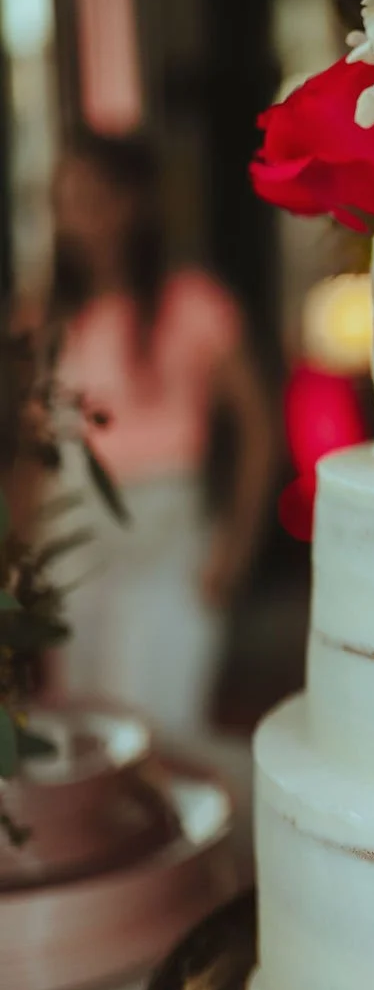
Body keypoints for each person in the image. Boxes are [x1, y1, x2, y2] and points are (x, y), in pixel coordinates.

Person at [37, 128, 276, 741]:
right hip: (73, 535)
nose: (76, 220)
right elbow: (34, 453)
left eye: (92, 199)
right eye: (65, 202)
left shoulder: (192, 304)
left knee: (156, 726)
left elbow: (258, 428)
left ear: (132, 203)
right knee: (84, 727)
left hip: (165, 530)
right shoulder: (49, 317)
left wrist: (234, 548)